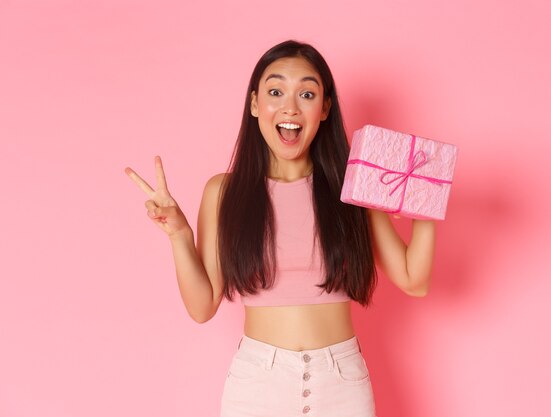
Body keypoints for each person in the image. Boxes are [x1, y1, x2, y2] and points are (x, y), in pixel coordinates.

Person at [125, 40, 435, 417]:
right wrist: (178, 234)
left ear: (324, 109)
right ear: (255, 104)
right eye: (275, 91)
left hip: (341, 384)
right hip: (257, 385)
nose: (290, 107)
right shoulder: (224, 192)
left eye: (306, 93)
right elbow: (202, 306)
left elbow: (412, 279)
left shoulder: (354, 186)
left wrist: (424, 202)